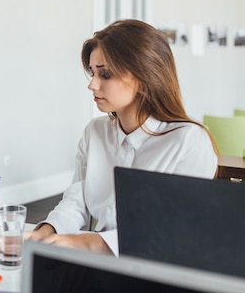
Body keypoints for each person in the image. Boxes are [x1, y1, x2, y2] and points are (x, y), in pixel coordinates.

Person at [28, 19, 217, 255]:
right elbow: (78, 200)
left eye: (105, 75)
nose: (92, 85)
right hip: (98, 263)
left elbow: (175, 230)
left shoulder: (189, 141)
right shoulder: (95, 132)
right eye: (93, 73)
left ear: (144, 77)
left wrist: (90, 243)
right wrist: (46, 232)